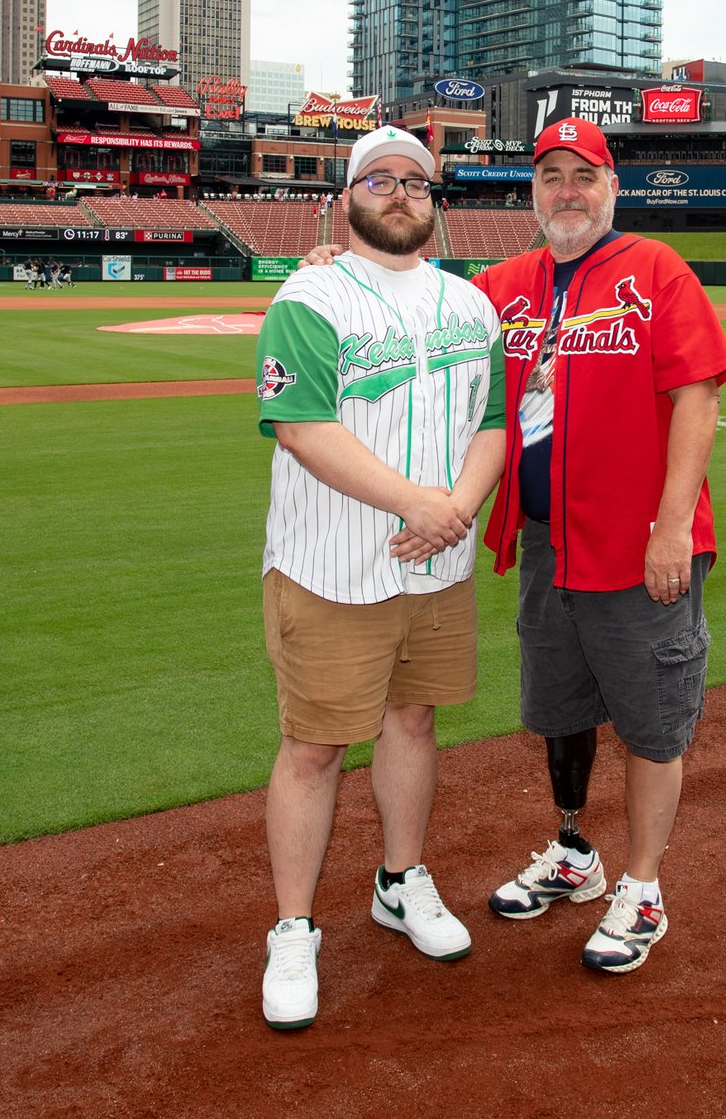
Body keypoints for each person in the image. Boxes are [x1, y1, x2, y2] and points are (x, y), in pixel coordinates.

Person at [251, 125, 507, 1031]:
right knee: (314, 747)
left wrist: (455, 509)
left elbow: (493, 424)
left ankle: (400, 882)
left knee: (414, 719)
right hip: (330, 565)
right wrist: (420, 504)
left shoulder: (471, 304)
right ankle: (293, 925)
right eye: (378, 179)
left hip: (438, 566)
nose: (399, 192)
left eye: (416, 182)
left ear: (435, 202)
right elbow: (301, 426)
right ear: (346, 197)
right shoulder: (310, 295)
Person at [477, 117, 726, 974]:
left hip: (639, 546)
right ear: (534, 191)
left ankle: (644, 887)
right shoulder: (504, 285)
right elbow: (414, 312)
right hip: (549, 542)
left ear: (611, 184)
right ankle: (574, 851)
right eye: (550, 175)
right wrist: (340, 266)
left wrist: (672, 525)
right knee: (560, 707)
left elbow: (697, 396)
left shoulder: (655, 269)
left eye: (581, 175)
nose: (566, 191)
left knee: (652, 721)